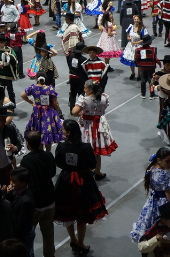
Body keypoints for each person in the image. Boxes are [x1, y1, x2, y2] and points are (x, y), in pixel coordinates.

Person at [53, 119, 107, 256]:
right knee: (82, 215)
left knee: (68, 213)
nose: (62, 131)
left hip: (65, 181)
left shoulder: (61, 147)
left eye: (64, 129)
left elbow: (58, 163)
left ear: (69, 132)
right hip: (84, 181)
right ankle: (81, 242)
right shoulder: (86, 147)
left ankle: (73, 240)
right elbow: (92, 164)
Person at [130, 148, 170, 244]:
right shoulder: (164, 175)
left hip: (154, 201)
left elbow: (156, 187)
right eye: (167, 161)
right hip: (164, 205)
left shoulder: (151, 169)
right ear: (159, 160)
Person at [19, 131, 56, 257]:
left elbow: (25, 182)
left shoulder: (26, 161)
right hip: (50, 200)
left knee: (28, 235)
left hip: (35, 204)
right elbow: (52, 173)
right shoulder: (49, 156)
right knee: (49, 234)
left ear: (27, 144)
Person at [71, 79, 116, 180]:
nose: (84, 89)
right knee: (96, 152)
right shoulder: (104, 98)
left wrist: (81, 112)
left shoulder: (84, 99)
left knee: (84, 149)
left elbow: (74, 112)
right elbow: (103, 109)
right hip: (98, 125)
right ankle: (97, 172)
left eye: (85, 88)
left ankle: (87, 170)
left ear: (90, 90)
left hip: (86, 126)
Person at [20, 71, 63, 152]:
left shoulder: (32, 88)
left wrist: (32, 103)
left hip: (37, 113)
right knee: (47, 132)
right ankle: (48, 153)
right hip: (48, 113)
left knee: (37, 132)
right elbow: (55, 103)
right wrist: (56, 113)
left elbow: (23, 95)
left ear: (36, 78)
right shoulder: (50, 89)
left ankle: (40, 153)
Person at [0, 34, 18, 103]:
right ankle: (1, 103)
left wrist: (9, 55)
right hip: (0, 74)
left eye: (2, 42)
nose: (0, 44)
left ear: (5, 42)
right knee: (0, 90)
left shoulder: (10, 50)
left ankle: (12, 104)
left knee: (10, 90)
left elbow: (15, 59)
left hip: (8, 73)